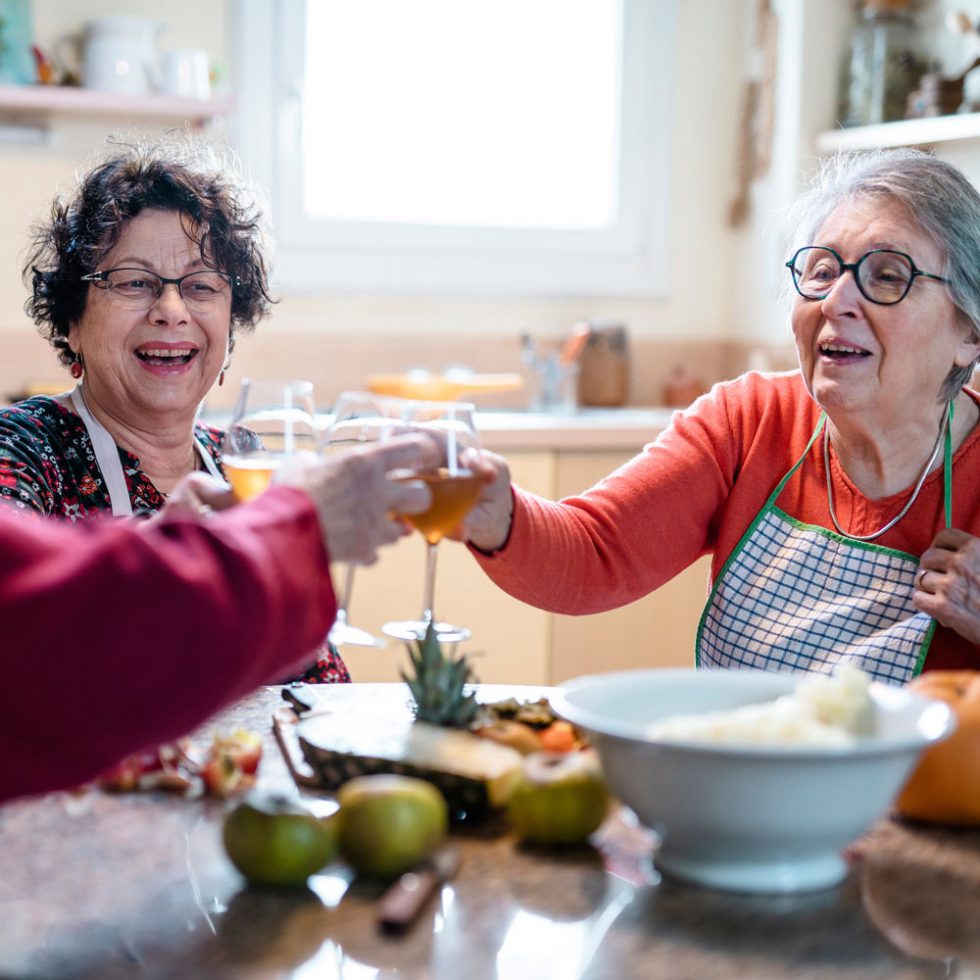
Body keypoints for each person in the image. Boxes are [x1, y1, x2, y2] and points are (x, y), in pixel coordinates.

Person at [462, 149, 980, 684]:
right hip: (737, 740)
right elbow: (593, 554)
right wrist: (497, 514)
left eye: (888, 277)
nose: (835, 300)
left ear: (969, 334)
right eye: (822, 271)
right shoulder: (750, 421)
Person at [0, 136, 347, 682]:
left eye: (200, 286)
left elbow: (319, 682)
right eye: (134, 282)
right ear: (72, 322)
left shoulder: (243, 464)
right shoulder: (22, 448)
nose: (170, 310)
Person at [0, 434, 436, 803]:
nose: (172, 329)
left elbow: (318, 686)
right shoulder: (18, 446)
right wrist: (293, 527)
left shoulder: (237, 450)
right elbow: (43, 641)